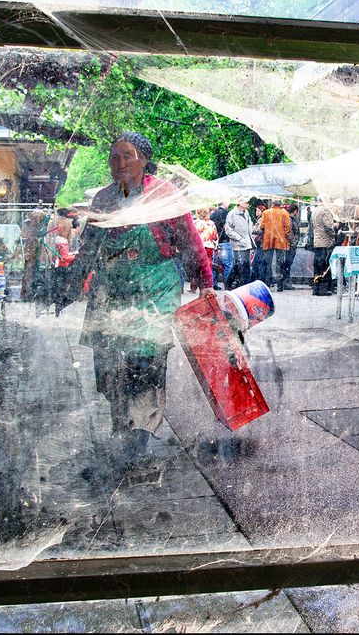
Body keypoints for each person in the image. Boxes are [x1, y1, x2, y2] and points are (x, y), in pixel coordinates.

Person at [67, 132, 213, 474]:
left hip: (154, 290)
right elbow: (89, 247)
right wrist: (69, 285)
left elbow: (189, 239)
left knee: (142, 360)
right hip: (111, 291)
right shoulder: (103, 198)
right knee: (109, 363)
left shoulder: (164, 194)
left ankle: (138, 440)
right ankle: (123, 427)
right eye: (114, 157)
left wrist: (204, 282)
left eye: (127, 156)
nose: (119, 164)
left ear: (145, 159)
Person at [259, 199, 292, 291]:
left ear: (273, 204)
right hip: (280, 241)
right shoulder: (284, 213)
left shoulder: (266, 213)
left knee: (267, 263)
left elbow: (262, 226)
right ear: (280, 204)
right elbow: (287, 228)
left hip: (268, 241)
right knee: (279, 263)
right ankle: (280, 285)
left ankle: (267, 283)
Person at [224, 197, 254, 289]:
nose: (248, 204)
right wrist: (239, 238)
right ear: (239, 203)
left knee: (244, 264)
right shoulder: (232, 214)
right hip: (238, 243)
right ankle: (235, 283)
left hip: (246, 242)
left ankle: (242, 284)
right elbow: (228, 230)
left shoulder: (246, 213)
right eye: (246, 202)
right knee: (240, 264)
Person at [311, 199, 339, 296]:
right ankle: (323, 290)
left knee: (317, 267)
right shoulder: (325, 210)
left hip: (317, 241)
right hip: (325, 241)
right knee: (325, 267)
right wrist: (334, 233)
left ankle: (316, 289)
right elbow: (328, 226)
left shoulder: (315, 210)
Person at [209, 201, 232, 289]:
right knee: (227, 264)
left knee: (215, 264)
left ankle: (214, 284)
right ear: (224, 202)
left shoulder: (213, 214)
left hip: (215, 243)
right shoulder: (227, 214)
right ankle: (227, 284)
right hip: (225, 241)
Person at [280, 203, 301, 289]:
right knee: (287, 264)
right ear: (295, 211)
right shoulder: (290, 219)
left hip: (289, 244)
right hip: (289, 245)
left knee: (287, 264)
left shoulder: (288, 219)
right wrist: (294, 242)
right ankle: (286, 282)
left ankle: (285, 282)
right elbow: (289, 232)